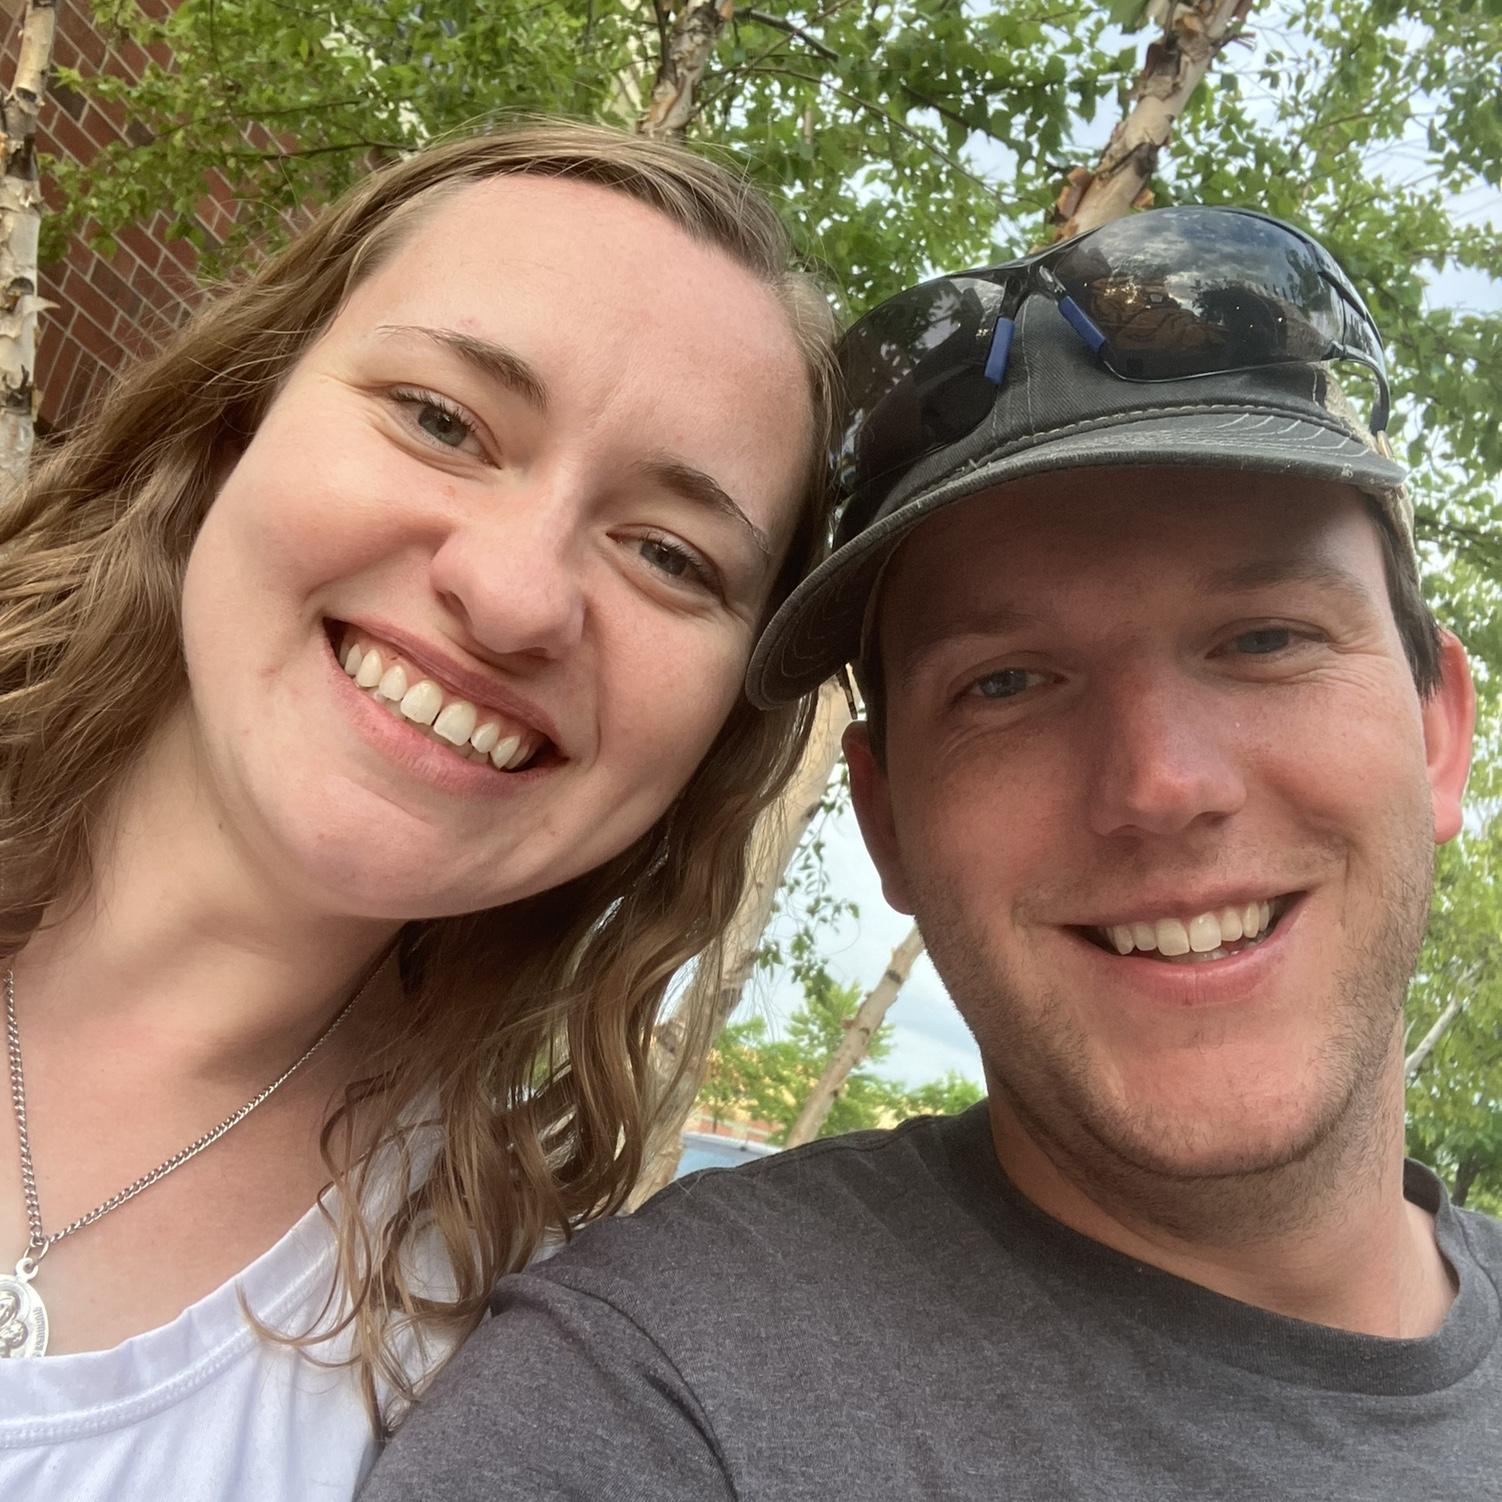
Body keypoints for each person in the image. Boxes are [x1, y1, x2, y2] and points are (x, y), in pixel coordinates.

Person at [363, 207, 1502, 1500]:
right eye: (1006, 682)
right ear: (885, 821)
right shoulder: (645, 1411)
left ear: (1438, 732)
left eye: (1264, 639)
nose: (1161, 786)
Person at [0, 120, 838, 1498]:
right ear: (237, 417)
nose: (510, 595)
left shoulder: (505, 1376)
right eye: (442, 420)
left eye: (668, 554)